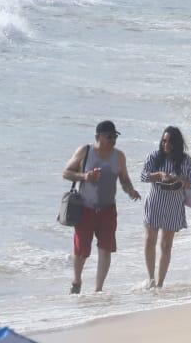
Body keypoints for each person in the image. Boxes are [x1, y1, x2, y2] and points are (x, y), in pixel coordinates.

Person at [61, 120, 140, 294]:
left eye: (115, 136)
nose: (113, 140)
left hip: (108, 209)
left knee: (105, 248)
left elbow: (124, 179)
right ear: (98, 136)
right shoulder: (85, 151)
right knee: (81, 250)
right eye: (109, 136)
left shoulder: (119, 156)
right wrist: (85, 176)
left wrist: (130, 190)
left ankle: (98, 290)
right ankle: (76, 282)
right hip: (85, 208)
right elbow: (66, 172)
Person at [140, 126, 191, 290]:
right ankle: (150, 279)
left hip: (174, 204)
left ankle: (160, 284)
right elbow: (143, 176)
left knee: (166, 245)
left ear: (177, 144)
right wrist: (159, 175)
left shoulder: (186, 161)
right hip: (155, 202)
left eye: (170, 142)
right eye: (164, 141)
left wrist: (178, 179)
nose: (166, 145)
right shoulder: (154, 156)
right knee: (150, 240)